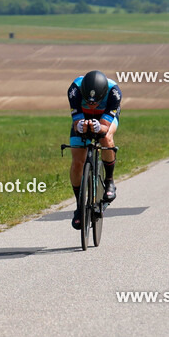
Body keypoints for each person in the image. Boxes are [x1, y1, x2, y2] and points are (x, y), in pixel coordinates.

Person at [67, 70, 121, 229]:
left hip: (105, 117)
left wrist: (101, 127)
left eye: (96, 101)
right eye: (88, 101)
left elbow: (105, 126)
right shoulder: (74, 90)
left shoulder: (114, 92)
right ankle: (79, 206)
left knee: (106, 138)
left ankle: (109, 180)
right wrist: (81, 125)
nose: (92, 104)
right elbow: (76, 122)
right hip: (82, 117)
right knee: (77, 162)